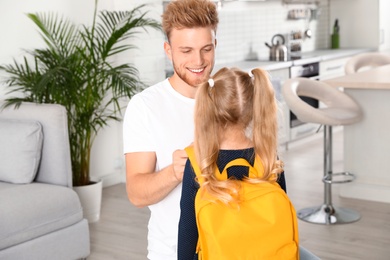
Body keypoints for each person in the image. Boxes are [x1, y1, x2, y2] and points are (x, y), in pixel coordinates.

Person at [123, 0, 219, 259]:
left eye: (206, 49)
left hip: (231, 246)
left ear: (215, 45)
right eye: (186, 50)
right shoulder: (145, 106)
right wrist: (175, 173)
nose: (198, 60)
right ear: (169, 50)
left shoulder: (230, 98)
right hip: (172, 252)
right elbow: (136, 193)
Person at [177, 67, 288, 259]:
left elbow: (187, 233)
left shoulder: (199, 163)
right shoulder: (269, 159)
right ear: (254, 108)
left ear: (211, 107)